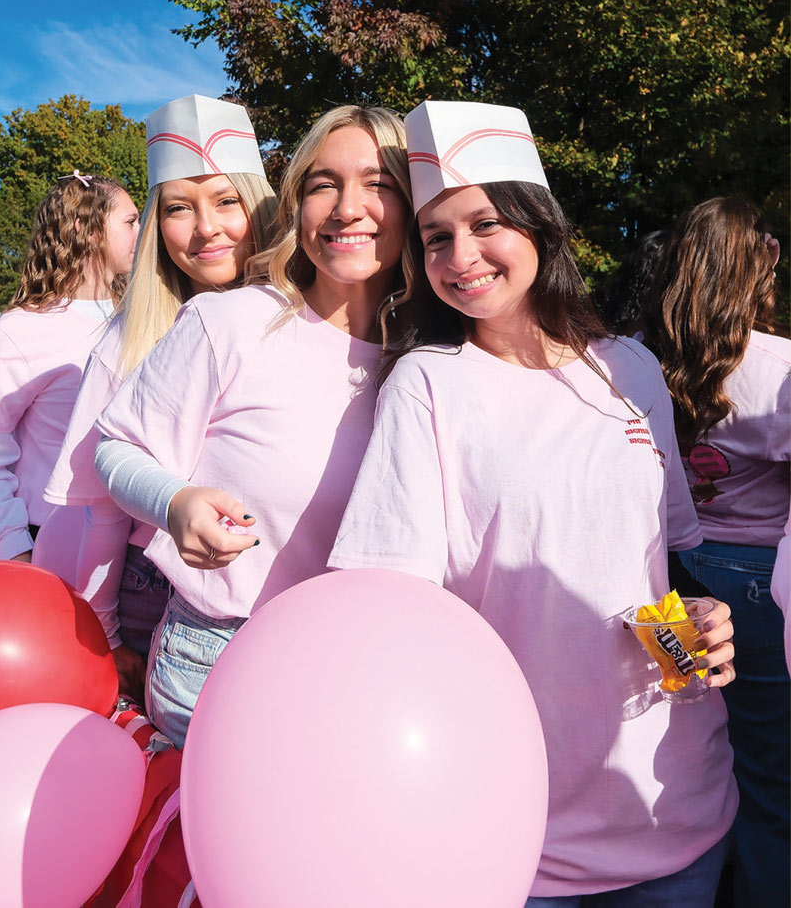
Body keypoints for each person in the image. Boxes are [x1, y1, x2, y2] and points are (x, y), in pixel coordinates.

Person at [328, 101, 737, 905]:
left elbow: (658, 568)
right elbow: (391, 610)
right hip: (514, 820)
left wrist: (707, 616)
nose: (461, 256)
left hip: (673, 803)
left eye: (485, 224)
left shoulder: (633, 371)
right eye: (437, 237)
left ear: (541, 227)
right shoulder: (428, 385)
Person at [94, 104, 416, 746]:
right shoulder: (230, 322)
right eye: (324, 184)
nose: (347, 207)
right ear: (296, 204)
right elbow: (117, 446)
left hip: (371, 673)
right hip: (218, 657)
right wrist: (176, 502)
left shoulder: (437, 360)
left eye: (378, 184)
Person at [44, 94, 278, 697]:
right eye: (179, 208)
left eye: (226, 200)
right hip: (155, 596)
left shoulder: (311, 319)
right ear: (155, 224)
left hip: (285, 593)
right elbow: (101, 506)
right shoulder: (126, 342)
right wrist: (105, 630)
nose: (206, 228)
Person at [644, 197, 790, 908]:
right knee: (770, 777)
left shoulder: (638, 360)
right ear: (760, 264)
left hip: (669, 572)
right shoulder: (781, 368)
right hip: (761, 587)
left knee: (684, 747)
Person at [0, 171, 140, 561]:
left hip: (141, 546)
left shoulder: (145, 314)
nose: (144, 231)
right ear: (86, 228)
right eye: (131, 221)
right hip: (54, 541)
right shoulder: (24, 328)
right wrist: (14, 547)